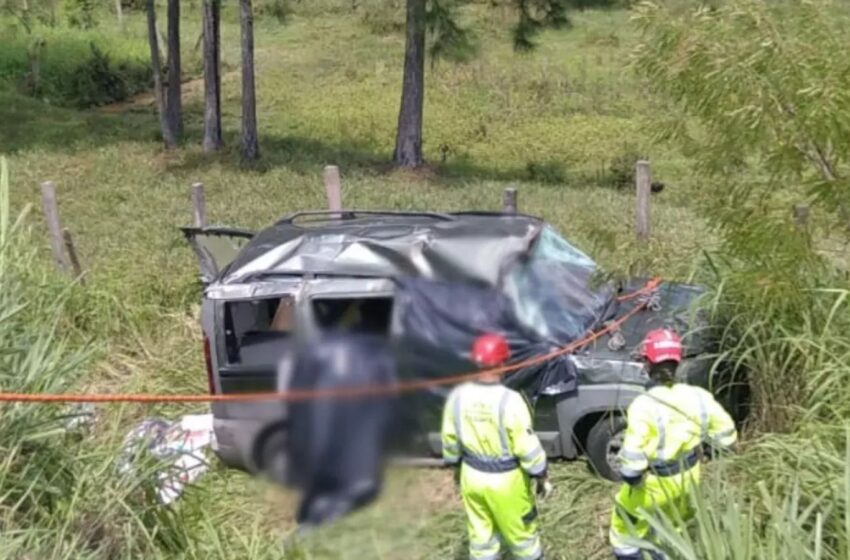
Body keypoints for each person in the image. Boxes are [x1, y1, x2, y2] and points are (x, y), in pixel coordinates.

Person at [609, 329, 738, 560]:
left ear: (647, 363)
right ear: (678, 361)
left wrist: (634, 482)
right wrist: (709, 452)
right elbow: (727, 435)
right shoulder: (697, 396)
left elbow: (631, 467)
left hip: (654, 485)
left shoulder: (643, 405)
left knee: (623, 532)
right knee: (674, 529)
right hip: (690, 479)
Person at [442, 333, 553, 560]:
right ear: (503, 363)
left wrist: (456, 470)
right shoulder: (510, 401)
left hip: (471, 477)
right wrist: (540, 475)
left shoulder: (458, 397)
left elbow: (450, 442)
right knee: (523, 538)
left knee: (482, 537)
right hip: (506, 482)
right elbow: (527, 447)